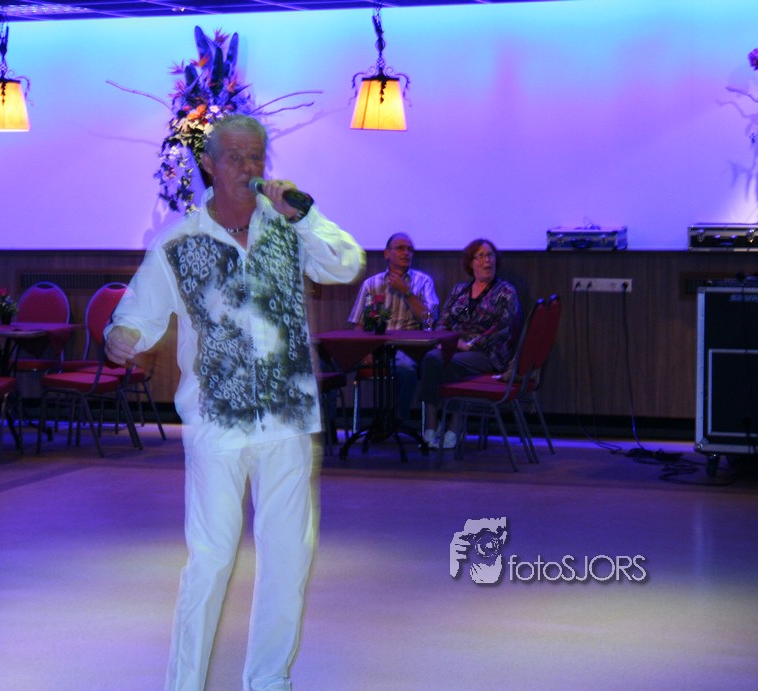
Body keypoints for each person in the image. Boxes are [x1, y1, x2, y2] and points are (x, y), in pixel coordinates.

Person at [105, 114, 364, 691]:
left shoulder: (288, 228)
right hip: (216, 423)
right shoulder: (178, 242)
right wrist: (122, 337)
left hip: (288, 419)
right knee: (211, 559)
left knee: (288, 559)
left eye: (256, 157)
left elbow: (345, 262)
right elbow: (137, 315)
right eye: (235, 158)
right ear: (209, 164)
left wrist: (305, 214)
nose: (248, 168)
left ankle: (269, 679)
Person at [420, 238, 520, 449]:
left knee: (454, 364)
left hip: (488, 353)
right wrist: (445, 341)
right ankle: (431, 425)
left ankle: (455, 427)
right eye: (480, 256)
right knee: (431, 359)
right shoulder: (459, 290)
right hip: (455, 347)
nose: (487, 261)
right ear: (471, 263)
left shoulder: (506, 292)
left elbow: (503, 328)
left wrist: (471, 344)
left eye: (490, 255)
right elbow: (443, 321)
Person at [346, 232, 438, 426]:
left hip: (410, 347)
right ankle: (376, 422)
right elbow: (358, 324)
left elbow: (429, 319)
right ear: (387, 254)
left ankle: (397, 419)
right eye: (400, 248)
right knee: (333, 361)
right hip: (378, 346)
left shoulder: (423, 281)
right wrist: (364, 351)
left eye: (410, 249)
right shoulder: (372, 284)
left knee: (405, 368)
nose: (406, 253)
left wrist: (406, 291)